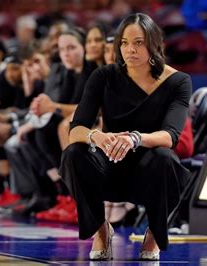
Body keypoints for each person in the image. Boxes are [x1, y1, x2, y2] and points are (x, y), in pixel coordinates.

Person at [60, 13, 191, 261]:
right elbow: (76, 129)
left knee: (165, 158)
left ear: (154, 43)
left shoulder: (178, 81)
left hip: (149, 169)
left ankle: (153, 234)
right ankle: (101, 230)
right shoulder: (103, 76)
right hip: (110, 164)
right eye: (124, 43)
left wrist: (135, 138)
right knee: (74, 153)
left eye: (138, 42)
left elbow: (170, 136)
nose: (130, 49)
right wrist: (96, 137)